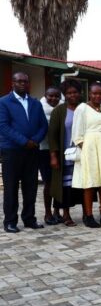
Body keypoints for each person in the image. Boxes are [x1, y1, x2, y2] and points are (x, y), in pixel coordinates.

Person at [0, 72, 48, 233]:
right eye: (19, 81)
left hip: (32, 151)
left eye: (25, 81)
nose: (22, 84)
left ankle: (29, 218)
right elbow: (3, 127)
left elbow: (43, 126)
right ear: (12, 83)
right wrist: (24, 141)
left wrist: (35, 140)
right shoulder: (4, 102)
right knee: (11, 187)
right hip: (12, 151)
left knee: (31, 187)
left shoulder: (35, 103)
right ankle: (10, 221)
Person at [71, 84, 101, 228]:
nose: (98, 96)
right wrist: (85, 150)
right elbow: (77, 134)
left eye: (100, 94)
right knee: (89, 182)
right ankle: (88, 216)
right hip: (89, 148)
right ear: (89, 94)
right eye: (95, 93)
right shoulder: (82, 109)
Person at [48, 79, 83, 227]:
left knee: (81, 185)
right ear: (65, 95)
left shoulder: (85, 108)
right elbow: (53, 134)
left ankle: (87, 213)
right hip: (65, 156)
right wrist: (54, 156)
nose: (72, 95)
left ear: (80, 93)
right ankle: (66, 214)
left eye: (75, 92)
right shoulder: (59, 111)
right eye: (69, 93)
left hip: (83, 155)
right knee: (65, 186)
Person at [40, 87, 62, 225]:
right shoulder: (39, 108)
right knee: (48, 182)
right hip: (44, 149)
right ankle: (47, 213)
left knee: (59, 182)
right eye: (50, 96)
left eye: (57, 96)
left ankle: (57, 211)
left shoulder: (63, 109)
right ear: (45, 96)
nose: (53, 98)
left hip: (60, 149)